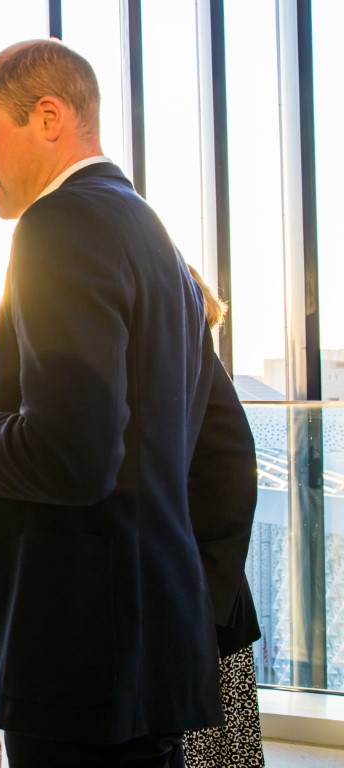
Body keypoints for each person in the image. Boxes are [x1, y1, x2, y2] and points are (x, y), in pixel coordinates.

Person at [0, 40, 240, 766]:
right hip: (152, 648)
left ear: (50, 118)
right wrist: (189, 602)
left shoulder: (56, 227)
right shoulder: (152, 238)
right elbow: (223, 449)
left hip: (79, 655)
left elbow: (72, 457)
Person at [182, 266, 264, 768]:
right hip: (210, 592)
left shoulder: (193, 375)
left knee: (212, 744)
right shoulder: (193, 373)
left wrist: (201, 599)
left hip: (204, 597)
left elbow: (231, 476)